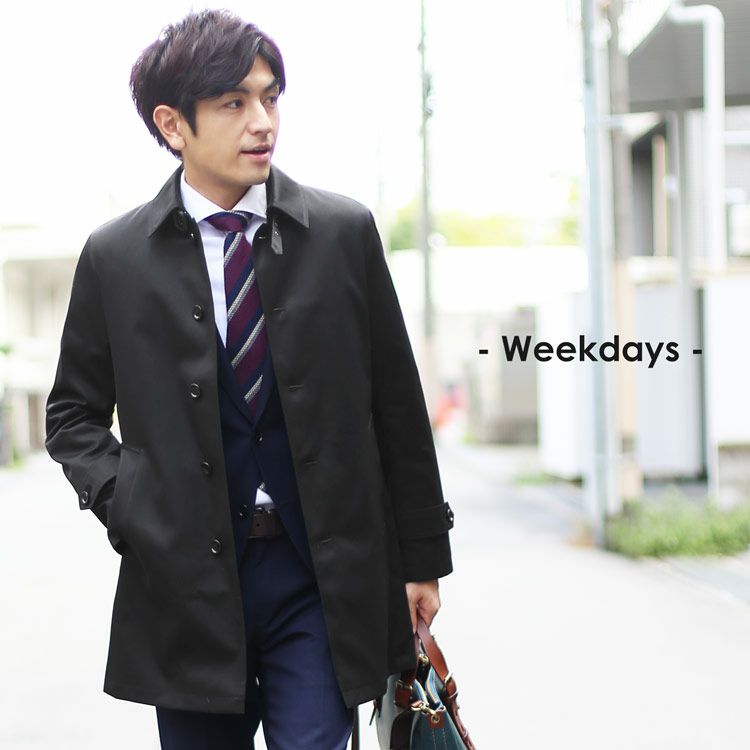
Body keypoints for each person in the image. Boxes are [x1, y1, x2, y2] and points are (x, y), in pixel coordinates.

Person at [45, 9, 454, 750]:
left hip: (320, 579)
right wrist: (131, 502)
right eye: (234, 103)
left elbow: (397, 406)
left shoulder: (342, 234)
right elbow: (72, 415)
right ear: (173, 124)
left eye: (270, 98)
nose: (262, 122)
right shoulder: (115, 258)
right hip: (186, 588)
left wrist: (422, 560)